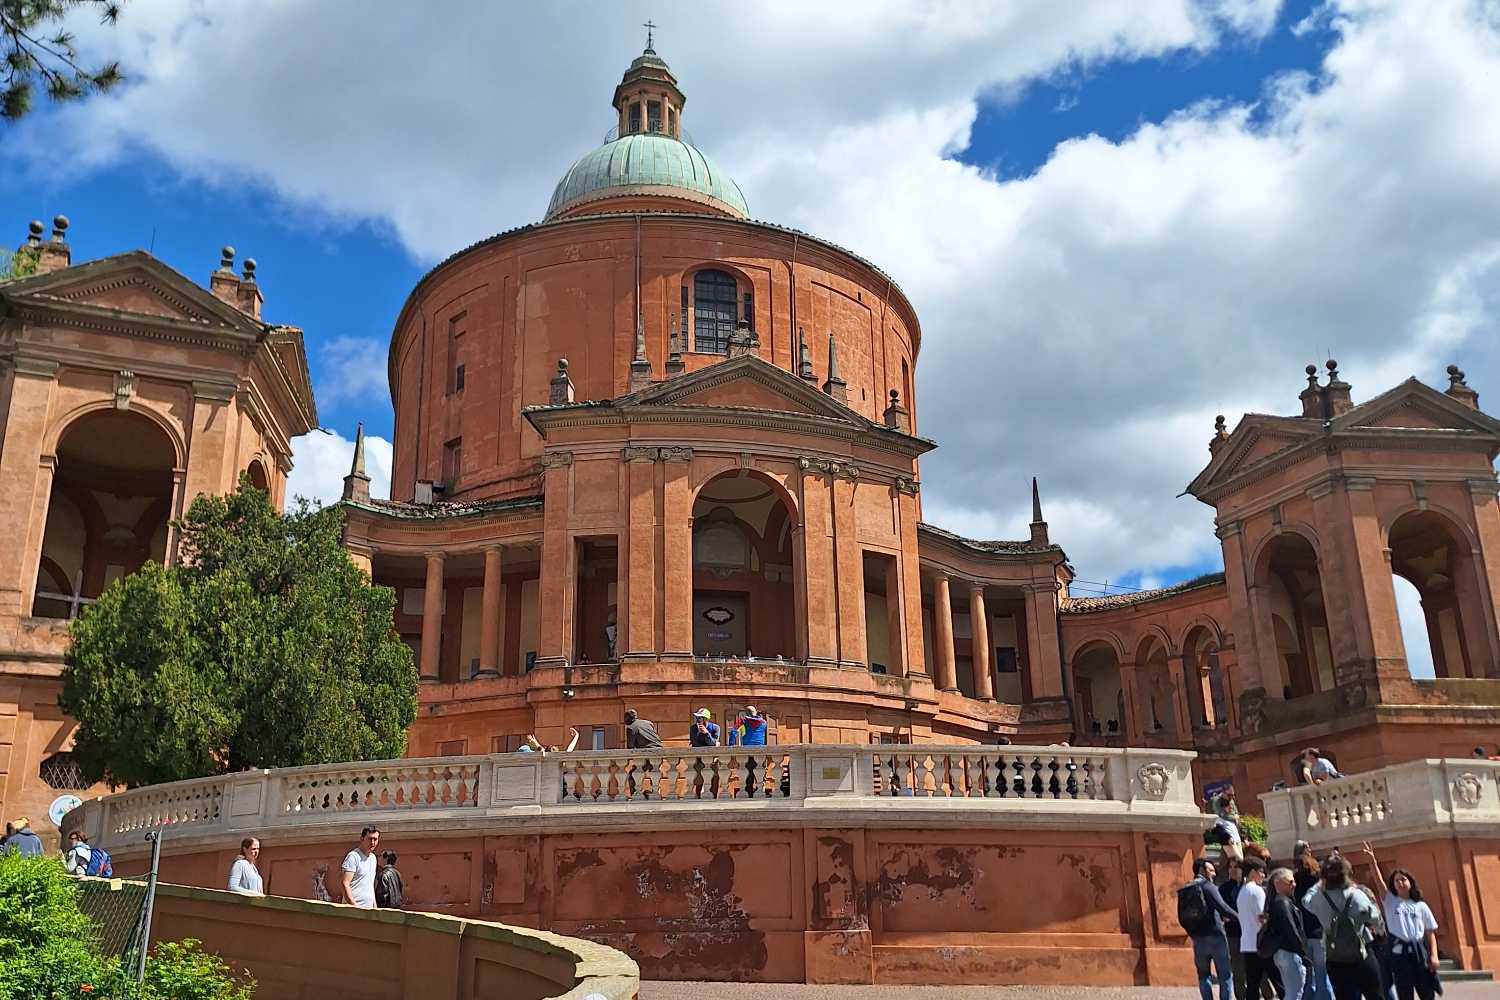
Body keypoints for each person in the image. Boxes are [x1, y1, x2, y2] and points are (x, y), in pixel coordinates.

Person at [1361, 843, 1439, 1000]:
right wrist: (1372, 861)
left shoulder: (1420, 905)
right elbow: (1379, 881)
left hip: (1419, 952)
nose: (1400, 882)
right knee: (1404, 993)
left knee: (1427, 993)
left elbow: (1430, 933)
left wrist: (1434, 956)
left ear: (1410, 882)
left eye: (1403, 879)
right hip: (1399, 953)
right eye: (1396, 881)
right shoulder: (1390, 901)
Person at [1302, 853, 1385, 1000]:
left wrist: (1319, 884)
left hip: (1335, 958)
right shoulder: (1357, 895)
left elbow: (1305, 900)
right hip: (1362, 953)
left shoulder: (1317, 898)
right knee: (1375, 995)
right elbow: (1376, 919)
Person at [1183, 857, 1240, 1000]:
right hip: (1216, 936)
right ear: (1202, 870)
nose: (1214, 874)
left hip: (1197, 938)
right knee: (1225, 975)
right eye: (1211, 870)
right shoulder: (1208, 887)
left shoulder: (1187, 888)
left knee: (1203, 976)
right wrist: (1240, 918)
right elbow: (1224, 908)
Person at [1294, 841, 1335, 1000]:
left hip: (1304, 932)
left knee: (1308, 974)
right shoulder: (1318, 884)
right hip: (1318, 932)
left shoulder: (1294, 882)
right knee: (1322, 973)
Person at [1238, 858, 1283, 999]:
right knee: (1279, 982)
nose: (1263, 876)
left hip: (1247, 943)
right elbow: (1263, 917)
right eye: (1261, 872)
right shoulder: (1257, 891)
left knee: (1252, 984)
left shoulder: (1242, 891)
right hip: (1262, 944)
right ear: (1252, 872)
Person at [1265, 867, 1310, 1000]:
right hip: (1289, 953)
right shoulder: (1283, 903)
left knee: (1292, 992)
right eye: (1290, 882)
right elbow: (1291, 930)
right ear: (1278, 882)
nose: (1294, 885)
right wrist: (1303, 953)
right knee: (1295, 993)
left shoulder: (1277, 902)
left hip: (1283, 953)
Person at [340, 827, 380, 908]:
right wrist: (354, 906)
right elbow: (345, 883)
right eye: (370, 839)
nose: (372, 842)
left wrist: (375, 907)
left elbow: (370, 885)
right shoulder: (353, 856)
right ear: (362, 839)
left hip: (368, 909)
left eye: (375, 839)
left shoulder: (373, 858)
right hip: (353, 909)